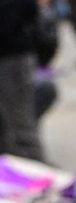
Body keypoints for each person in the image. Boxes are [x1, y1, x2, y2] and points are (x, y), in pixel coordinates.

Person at [0, 0, 44, 161]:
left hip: (11, 57)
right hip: (12, 54)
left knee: (21, 130)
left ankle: (38, 176)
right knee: (10, 127)